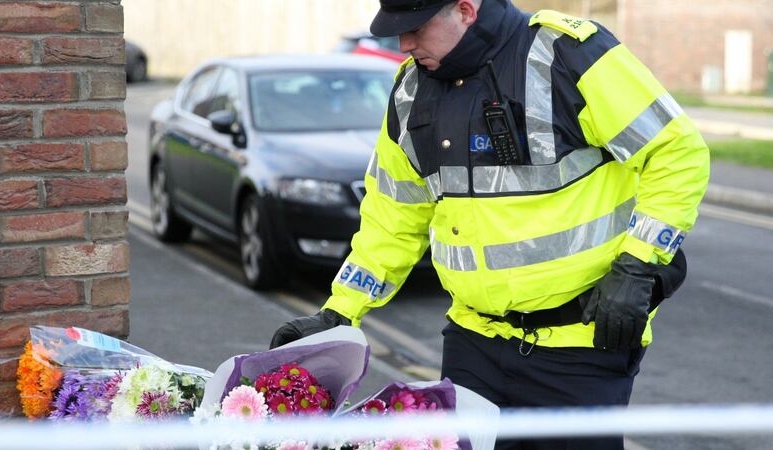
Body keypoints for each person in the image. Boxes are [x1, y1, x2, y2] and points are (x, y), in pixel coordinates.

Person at [271, 0, 709, 448]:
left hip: (579, 347)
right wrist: (341, 310)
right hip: (473, 344)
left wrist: (637, 265)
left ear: (464, 10)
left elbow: (676, 152)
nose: (403, 44)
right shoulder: (409, 92)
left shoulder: (566, 52)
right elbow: (393, 217)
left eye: (416, 28)